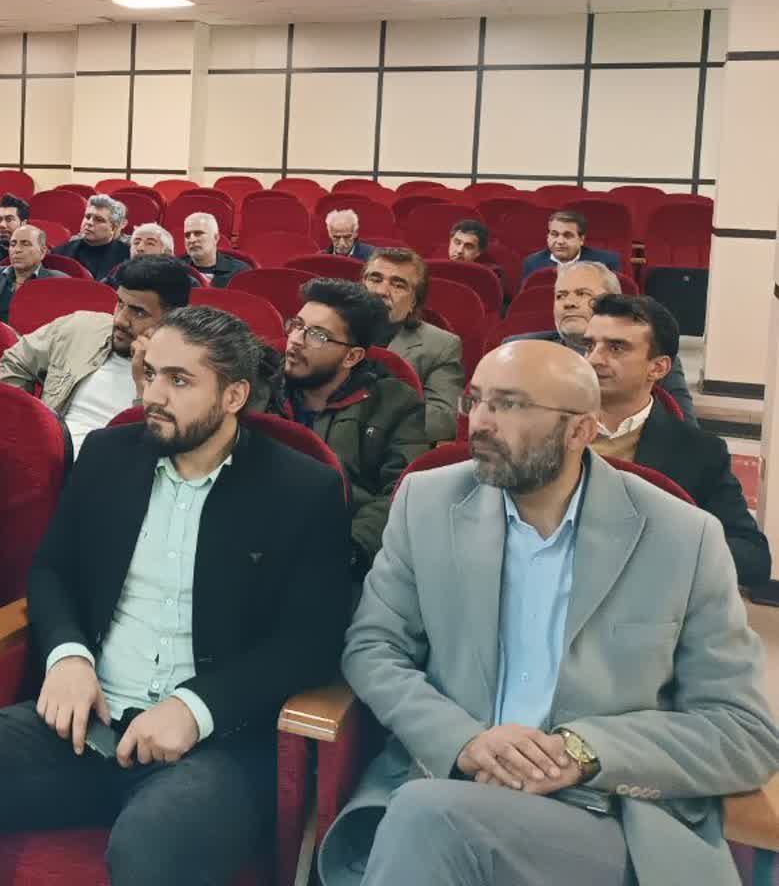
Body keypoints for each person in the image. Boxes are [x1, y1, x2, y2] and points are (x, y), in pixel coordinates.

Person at [0, 307, 351, 886]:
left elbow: (310, 642)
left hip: (214, 743)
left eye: (179, 380)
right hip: (88, 716)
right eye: (150, 373)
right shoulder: (109, 455)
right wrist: (68, 657)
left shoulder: (301, 489)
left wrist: (196, 708)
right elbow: (53, 571)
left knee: (152, 847)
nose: (153, 394)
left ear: (234, 395)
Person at [318, 340, 779, 886]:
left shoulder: (682, 537)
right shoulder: (427, 502)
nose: (481, 423)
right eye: (477, 401)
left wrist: (581, 753)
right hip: (450, 782)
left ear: (580, 430)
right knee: (428, 815)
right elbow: (374, 647)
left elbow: (741, 731)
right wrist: (463, 740)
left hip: (605, 818)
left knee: (426, 817)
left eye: (510, 404)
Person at [584, 293, 770, 585]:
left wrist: (659, 551)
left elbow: (752, 557)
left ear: (658, 368)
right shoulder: (546, 428)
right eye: (589, 345)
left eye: (616, 347)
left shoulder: (699, 452)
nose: (594, 359)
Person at [276, 278, 428, 571]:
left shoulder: (396, 404)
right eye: (296, 325)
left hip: (336, 543)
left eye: (317, 335)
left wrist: (347, 550)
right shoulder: (260, 388)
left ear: (352, 356)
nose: (295, 339)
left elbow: (401, 493)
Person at [0, 255, 194, 453]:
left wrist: (143, 381)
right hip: (42, 455)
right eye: (120, 303)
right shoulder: (81, 327)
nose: (120, 320)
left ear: (172, 318)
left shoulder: (188, 373)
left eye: (139, 312)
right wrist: (25, 423)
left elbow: (157, 448)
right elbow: (15, 361)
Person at [503, 259, 696, 422]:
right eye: (560, 296)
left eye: (582, 294)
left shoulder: (649, 356)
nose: (568, 303)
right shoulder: (518, 350)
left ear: (611, 303)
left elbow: (683, 427)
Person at [361, 248, 464, 444]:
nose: (381, 291)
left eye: (398, 285)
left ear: (414, 302)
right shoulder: (333, 328)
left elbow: (444, 418)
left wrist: (366, 419)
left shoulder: (441, 345)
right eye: (375, 279)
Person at [0, 225, 64, 325]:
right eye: (13, 244)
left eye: (25, 244)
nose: (17, 250)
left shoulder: (58, 282)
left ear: (42, 252)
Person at [519, 208, 621, 280]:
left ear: (581, 239)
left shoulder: (606, 262)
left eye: (567, 235)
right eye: (554, 234)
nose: (560, 241)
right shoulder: (533, 263)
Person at [55, 194, 130, 280]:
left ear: (113, 228)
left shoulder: (127, 258)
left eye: (98, 220)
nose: (89, 222)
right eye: (87, 217)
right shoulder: (60, 252)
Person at [181, 211, 249, 288]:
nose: (191, 240)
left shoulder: (239, 272)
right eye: (187, 235)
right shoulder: (175, 269)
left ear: (216, 238)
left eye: (198, 233)